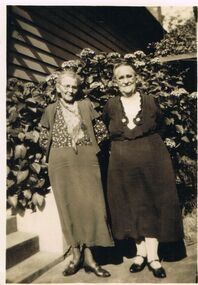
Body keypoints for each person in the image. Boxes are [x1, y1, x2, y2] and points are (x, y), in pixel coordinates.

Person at [102, 62, 184, 278]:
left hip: (152, 160)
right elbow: (106, 127)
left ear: (136, 77)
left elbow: (163, 125)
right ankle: (140, 254)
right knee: (131, 204)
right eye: (121, 77)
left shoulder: (149, 101)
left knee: (152, 203)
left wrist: (150, 147)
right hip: (122, 163)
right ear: (115, 81)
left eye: (129, 76)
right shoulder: (110, 105)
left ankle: (154, 257)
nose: (126, 80)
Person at [39, 70, 114, 277]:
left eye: (74, 86)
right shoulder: (50, 110)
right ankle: (75, 256)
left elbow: (101, 133)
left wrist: (86, 146)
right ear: (58, 87)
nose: (70, 90)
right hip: (60, 162)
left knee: (92, 206)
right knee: (67, 207)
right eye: (66, 86)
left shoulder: (86, 106)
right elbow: (44, 139)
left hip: (87, 160)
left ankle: (91, 258)